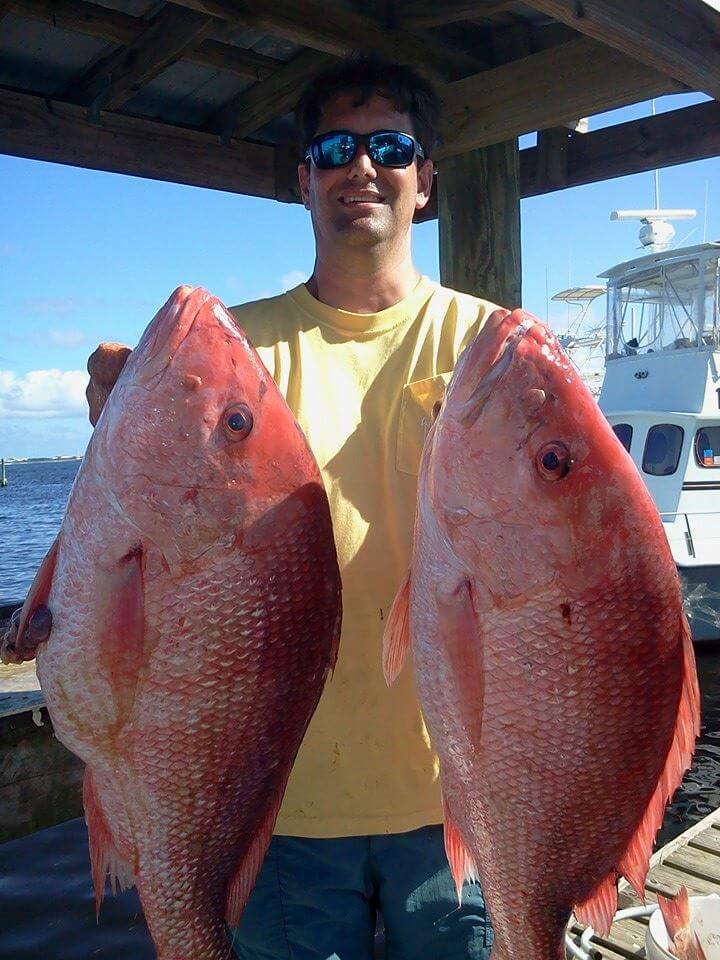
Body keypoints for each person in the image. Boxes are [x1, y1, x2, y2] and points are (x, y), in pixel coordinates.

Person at [5, 58, 504, 960]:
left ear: (426, 178)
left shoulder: (492, 351)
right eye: (335, 149)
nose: (363, 167)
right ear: (303, 178)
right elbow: (128, 540)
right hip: (266, 804)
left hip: (454, 799)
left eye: (391, 148)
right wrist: (113, 412)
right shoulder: (232, 352)